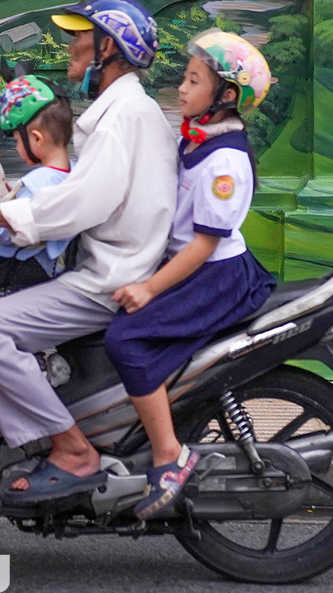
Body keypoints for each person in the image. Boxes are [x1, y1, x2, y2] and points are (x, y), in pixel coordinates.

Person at [0, 0, 177, 503]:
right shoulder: (122, 113)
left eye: (78, 41)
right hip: (112, 267)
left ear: (107, 48)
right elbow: (69, 196)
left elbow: (80, 204)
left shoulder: (123, 117)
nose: (69, 52)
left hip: (107, 279)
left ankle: (73, 450)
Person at [105, 28, 277, 519]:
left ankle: (168, 453)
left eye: (194, 81)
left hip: (215, 277)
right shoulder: (199, 137)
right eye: (184, 77)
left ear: (225, 97)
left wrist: (148, 288)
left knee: (126, 341)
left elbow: (204, 244)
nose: (181, 88)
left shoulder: (225, 160)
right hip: (195, 265)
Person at [0, 75, 74, 305]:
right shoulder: (74, 173)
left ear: (36, 138)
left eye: (17, 140)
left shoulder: (36, 182)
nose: (17, 147)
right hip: (49, 266)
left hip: (18, 263)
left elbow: (14, 228)